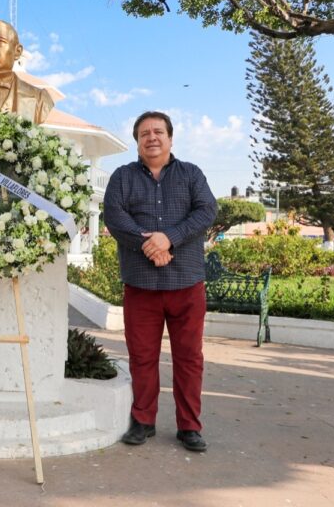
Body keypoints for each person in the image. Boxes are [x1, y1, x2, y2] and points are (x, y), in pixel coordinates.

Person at [104, 111, 217, 452]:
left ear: (170, 138)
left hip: (186, 284)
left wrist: (169, 238)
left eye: (157, 132)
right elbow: (114, 216)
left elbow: (206, 211)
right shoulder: (122, 178)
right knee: (142, 356)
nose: (151, 138)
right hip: (141, 286)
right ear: (137, 141)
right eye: (144, 133)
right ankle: (143, 421)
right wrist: (148, 245)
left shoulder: (191, 174)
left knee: (189, 358)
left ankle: (189, 427)